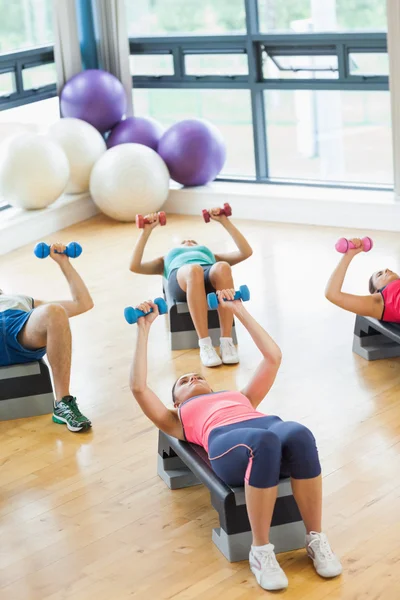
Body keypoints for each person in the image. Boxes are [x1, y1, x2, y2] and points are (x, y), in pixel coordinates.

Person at [129, 291, 342, 591]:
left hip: (265, 427)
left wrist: (237, 309)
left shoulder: (242, 397)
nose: (193, 379)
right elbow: (139, 388)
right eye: (183, 382)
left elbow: (273, 357)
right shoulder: (176, 419)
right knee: (264, 442)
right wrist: (144, 329)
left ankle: (316, 539)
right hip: (227, 442)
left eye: (197, 376)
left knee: (299, 434)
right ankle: (260, 551)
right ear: (176, 403)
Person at [129, 210, 253, 368]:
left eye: (194, 242)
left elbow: (246, 252)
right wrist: (146, 231)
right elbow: (135, 266)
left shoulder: (212, 256)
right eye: (182, 244)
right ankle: (205, 344)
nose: (188, 241)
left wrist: (224, 221)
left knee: (222, 267)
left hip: (208, 272)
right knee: (194, 270)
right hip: (181, 277)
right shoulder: (166, 259)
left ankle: (226, 342)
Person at [0, 243, 93, 432]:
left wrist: (64, 263)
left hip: (21, 330)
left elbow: (82, 303)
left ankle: (63, 403)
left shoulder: (20, 299)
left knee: (55, 311)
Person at [325, 237, 400, 321]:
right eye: (379, 274)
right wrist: (349, 254)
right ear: (375, 292)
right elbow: (332, 295)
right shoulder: (379, 302)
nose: (386, 269)